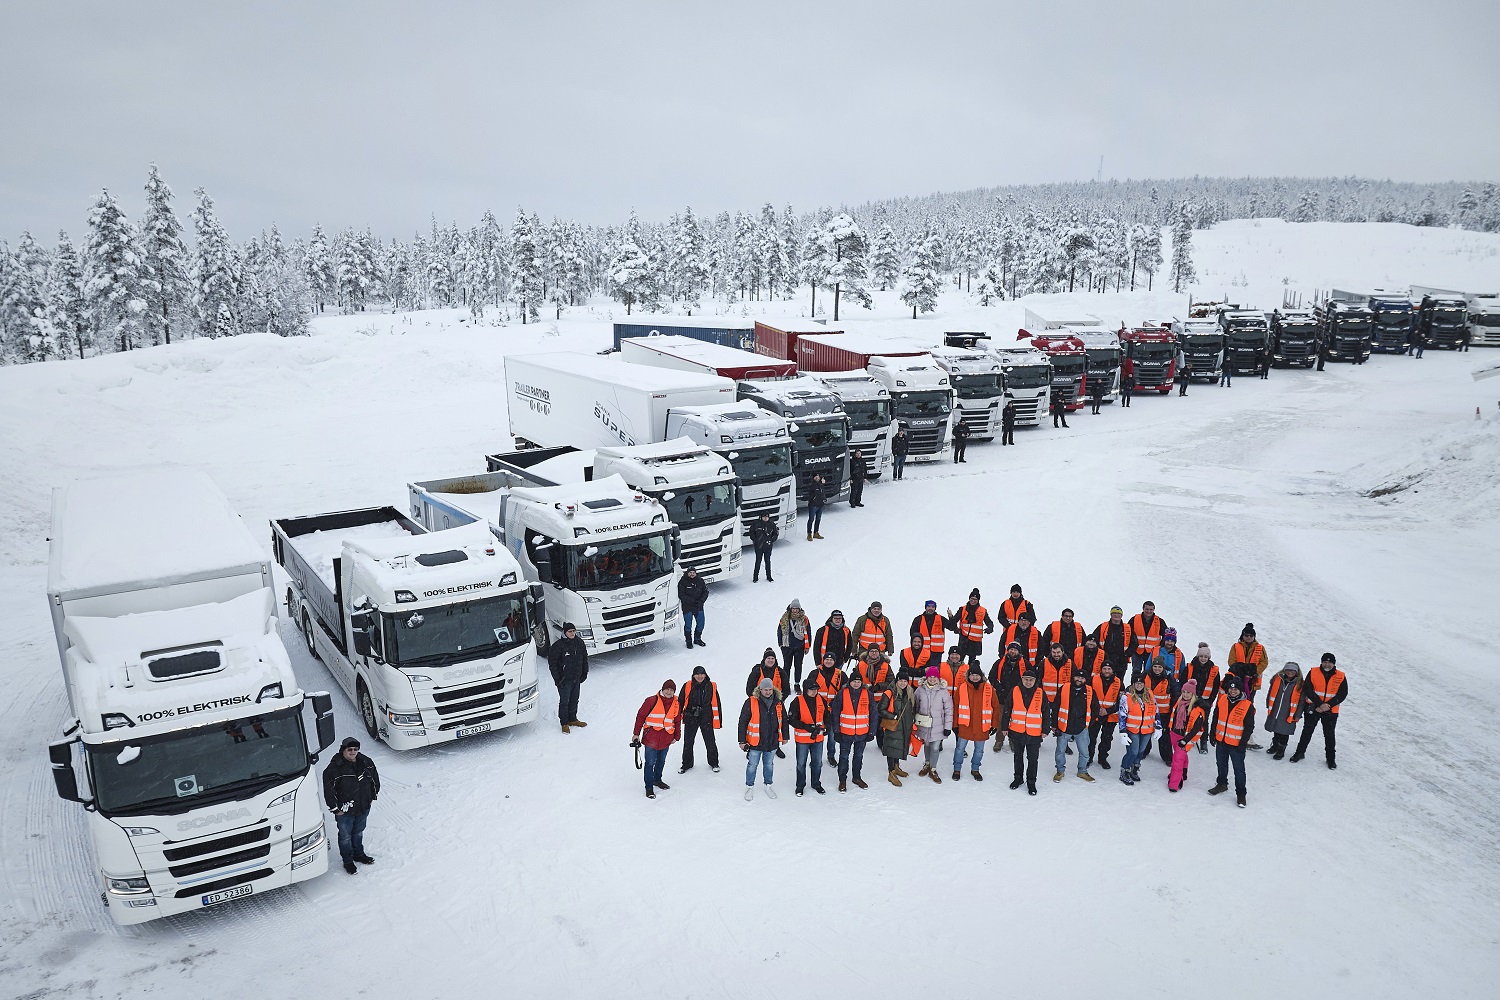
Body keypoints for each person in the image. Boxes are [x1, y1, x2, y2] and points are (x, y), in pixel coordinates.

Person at [323, 736, 379, 874]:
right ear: (343, 750)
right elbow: (329, 791)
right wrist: (336, 808)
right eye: (350, 749)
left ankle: (359, 854)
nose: (353, 752)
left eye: (355, 749)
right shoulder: (333, 769)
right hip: (345, 811)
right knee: (345, 836)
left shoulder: (366, 762)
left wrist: (371, 797)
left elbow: (375, 781)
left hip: (363, 807)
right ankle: (348, 861)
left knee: (358, 832)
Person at [1292, 652, 1347, 768]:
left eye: (1330, 662)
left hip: (1331, 711)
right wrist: (1320, 704)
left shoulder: (1341, 676)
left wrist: (1328, 705)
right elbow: (1307, 689)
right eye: (1325, 662)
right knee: (1307, 731)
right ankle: (1299, 753)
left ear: (1334, 663)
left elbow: (1343, 693)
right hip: (1314, 708)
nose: (1327, 664)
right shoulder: (1313, 672)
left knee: (1329, 735)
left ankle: (1330, 759)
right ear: (1321, 662)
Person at [1208, 675, 1255, 807]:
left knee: (1239, 770)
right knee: (1221, 764)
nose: (1233, 691)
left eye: (1236, 689)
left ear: (1241, 691)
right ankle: (1221, 784)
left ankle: (1241, 794)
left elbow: (1249, 727)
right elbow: (1216, 718)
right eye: (1231, 689)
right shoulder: (1222, 700)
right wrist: (1212, 734)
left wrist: (1243, 743)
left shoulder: (1247, 705)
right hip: (1221, 741)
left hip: (1236, 745)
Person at [632, 680, 682, 799]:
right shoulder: (651, 701)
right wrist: (636, 734)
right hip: (651, 738)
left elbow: (677, 720)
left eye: (672, 690)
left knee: (661, 761)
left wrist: (677, 736)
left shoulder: (676, 703)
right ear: (662, 689)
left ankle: (657, 780)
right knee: (650, 763)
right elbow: (640, 716)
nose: (669, 692)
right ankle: (649, 787)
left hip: (666, 738)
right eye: (667, 689)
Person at [739, 678, 787, 800]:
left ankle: (768, 785)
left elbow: (784, 721)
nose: (768, 692)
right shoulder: (751, 702)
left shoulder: (778, 703)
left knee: (769, 765)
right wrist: (742, 741)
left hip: (772, 741)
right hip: (756, 742)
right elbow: (743, 722)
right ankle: (749, 786)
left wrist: (785, 736)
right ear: (760, 689)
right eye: (765, 689)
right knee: (752, 765)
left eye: (770, 689)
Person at [831, 671, 877, 791]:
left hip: (862, 734)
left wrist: (872, 732)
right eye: (854, 681)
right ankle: (842, 780)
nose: (856, 684)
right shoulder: (842, 693)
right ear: (849, 682)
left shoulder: (868, 694)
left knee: (858, 756)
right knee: (844, 757)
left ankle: (857, 777)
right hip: (845, 733)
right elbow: (835, 713)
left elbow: (874, 713)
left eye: (858, 682)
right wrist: (836, 731)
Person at [951, 663, 996, 780]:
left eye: (977, 675)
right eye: (972, 675)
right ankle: (957, 769)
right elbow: (955, 707)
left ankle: (975, 769)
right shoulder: (962, 688)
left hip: (982, 726)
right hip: (965, 726)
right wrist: (955, 724)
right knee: (960, 748)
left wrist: (994, 725)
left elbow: (995, 707)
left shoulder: (989, 689)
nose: (975, 677)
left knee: (979, 750)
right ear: (968, 676)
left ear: (981, 676)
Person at [1052, 668, 1097, 783]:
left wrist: (1089, 723)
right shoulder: (1064, 688)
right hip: (1064, 727)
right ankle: (1060, 771)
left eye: (1082, 678)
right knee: (1060, 751)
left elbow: (1095, 708)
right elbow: (1056, 707)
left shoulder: (1090, 691)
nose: (1079, 680)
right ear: (1073, 677)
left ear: (1085, 680)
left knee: (1085, 753)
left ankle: (1082, 771)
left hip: (1081, 728)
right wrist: (1054, 724)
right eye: (1077, 677)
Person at [1007, 670, 1046, 794]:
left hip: (1034, 734)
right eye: (1026, 679)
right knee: (1018, 757)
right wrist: (1004, 727)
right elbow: (1007, 709)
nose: (1028, 682)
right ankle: (1018, 779)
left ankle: (1031, 782)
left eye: (1031, 680)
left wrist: (1045, 729)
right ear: (1022, 679)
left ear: (1035, 681)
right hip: (1017, 731)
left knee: (1033, 759)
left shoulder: (1040, 693)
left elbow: (1046, 712)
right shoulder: (1015, 691)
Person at [787, 678, 828, 796]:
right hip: (803, 740)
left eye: (816, 689)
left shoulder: (822, 700)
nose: (814, 692)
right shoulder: (797, 702)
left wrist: (827, 726)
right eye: (812, 689)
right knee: (801, 763)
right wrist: (806, 727)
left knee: (817, 763)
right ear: (805, 689)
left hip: (818, 739)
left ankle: (816, 783)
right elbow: (791, 720)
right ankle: (800, 785)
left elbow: (827, 716)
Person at [677, 666, 721, 774]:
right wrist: (677, 717)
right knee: (688, 742)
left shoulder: (711, 686)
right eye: (697, 674)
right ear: (693, 675)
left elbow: (717, 703)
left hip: (706, 717)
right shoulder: (687, 685)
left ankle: (714, 763)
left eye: (702, 674)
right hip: (690, 717)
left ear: (705, 675)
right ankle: (686, 764)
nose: (700, 676)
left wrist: (718, 720)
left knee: (710, 741)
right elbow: (680, 701)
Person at [914, 666, 953, 784]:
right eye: (930, 676)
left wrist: (948, 727)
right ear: (926, 678)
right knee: (926, 744)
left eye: (934, 677)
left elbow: (949, 710)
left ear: (938, 678)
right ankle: (927, 763)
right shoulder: (919, 690)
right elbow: (915, 706)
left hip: (938, 725)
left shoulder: (943, 691)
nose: (932, 679)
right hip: (924, 724)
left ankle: (933, 768)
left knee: (935, 747)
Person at [989, 640, 1030, 751]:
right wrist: (1000, 688)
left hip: (1019, 698)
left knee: (1016, 720)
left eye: (1015, 649)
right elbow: (991, 677)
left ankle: (1013, 741)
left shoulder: (1025, 664)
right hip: (1002, 697)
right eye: (1011, 649)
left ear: (1019, 652)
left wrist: (1022, 690)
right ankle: (999, 740)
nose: (1012, 651)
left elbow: (1031, 679)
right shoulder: (999, 662)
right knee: (1001, 719)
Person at [548, 622, 589, 734]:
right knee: (564, 702)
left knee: (574, 699)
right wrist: (558, 679)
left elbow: (584, 658)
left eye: (574, 631)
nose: (572, 633)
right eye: (570, 631)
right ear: (564, 632)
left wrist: (584, 672)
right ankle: (564, 723)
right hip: (564, 680)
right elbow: (553, 664)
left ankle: (573, 719)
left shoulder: (579, 642)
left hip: (576, 677)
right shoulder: (558, 646)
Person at [878, 673, 918, 785]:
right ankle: (891, 772)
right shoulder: (889, 693)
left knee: (900, 747)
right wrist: (893, 716)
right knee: (892, 748)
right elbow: (880, 709)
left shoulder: (910, 693)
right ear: (896, 681)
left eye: (905, 681)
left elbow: (913, 709)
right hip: (893, 726)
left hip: (905, 726)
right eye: (900, 681)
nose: (903, 683)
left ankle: (896, 767)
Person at [1166, 680, 1206, 792]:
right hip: (1174, 734)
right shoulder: (1178, 703)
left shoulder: (1197, 709)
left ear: (1193, 694)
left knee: (1177, 760)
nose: (1185, 694)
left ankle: (1174, 783)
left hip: (1185, 738)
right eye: (1183, 692)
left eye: (1188, 692)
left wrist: (1185, 740)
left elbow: (1196, 728)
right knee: (1180, 756)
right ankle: (1183, 773)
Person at [1116, 675, 1157, 786]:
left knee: (1140, 752)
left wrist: (1158, 726)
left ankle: (1134, 769)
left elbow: (1155, 711)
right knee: (1132, 752)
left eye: (1141, 683)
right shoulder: (1127, 697)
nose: (1139, 685)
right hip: (1132, 729)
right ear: (1133, 685)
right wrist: (1123, 731)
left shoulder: (1150, 695)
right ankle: (1125, 770)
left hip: (1147, 730)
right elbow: (1122, 715)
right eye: (1137, 683)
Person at [1181, 643, 1221, 754]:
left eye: (1206, 657)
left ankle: (1204, 741)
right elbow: (1183, 682)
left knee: (1204, 721)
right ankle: (1186, 737)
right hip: (1190, 699)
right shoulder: (1190, 667)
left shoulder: (1214, 670)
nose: (1203, 659)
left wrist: (1210, 701)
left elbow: (1216, 687)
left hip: (1205, 701)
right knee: (1188, 718)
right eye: (1201, 656)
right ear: (1198, 656)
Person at [810, 652, 846, 767]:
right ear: (823, 660)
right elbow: (808, 689)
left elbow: (846, 691)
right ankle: (815, 758)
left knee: (832, 736)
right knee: (817, 736)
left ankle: (831, 756)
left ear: (834, 662)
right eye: (826, 660)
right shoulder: (814, 673)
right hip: (818, 711)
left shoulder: (841, 675)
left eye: (831, 660)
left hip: (834, 711)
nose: (828, 662)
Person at [1263, 661, 1303, 760]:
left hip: (1289, 712)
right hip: (1277, 709)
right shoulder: (1278, 679)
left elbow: (1302, 701)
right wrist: (1268, 703)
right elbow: (1271, 691)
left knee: (1284, 732)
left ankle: (1281, 750)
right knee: (1276, 729)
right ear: (1284, 670)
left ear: (1297, 672)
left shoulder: (1300, 684)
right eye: (1288, 670)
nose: (1290, 672)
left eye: (1293, 671)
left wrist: (1298, 714)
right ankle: (1275, 745)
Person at [1088, 661, 1121, 770]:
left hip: (1110, 716)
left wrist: (1108, 711)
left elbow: (1122, 702)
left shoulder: (1119, 682)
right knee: (1091, 738)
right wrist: (1097, 710)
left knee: (1107, 739)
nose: (1107, 671)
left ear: (1112, 670)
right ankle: (1089, 757)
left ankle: (1102, 758)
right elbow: (1088, 696)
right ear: (1101, 670)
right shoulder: (1093, 679)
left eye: (1109, 669)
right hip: (1095, 715)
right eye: (1105, 669)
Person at [1142, 656, 1176, 764]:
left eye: (1159, 667)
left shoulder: (1170, 679)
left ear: (1163, 668)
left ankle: (1167, 757)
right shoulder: (1144, 676)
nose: (1157, 669)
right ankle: (1144, 751)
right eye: (1155, 666)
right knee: (1146, 732)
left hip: (1163, 712)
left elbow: (1176, 694)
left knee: (1164, 735)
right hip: (1147, 711)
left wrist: (1172, 711)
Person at [1227, 623, 1269, 705]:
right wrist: (1242, 670)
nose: (1249, 637)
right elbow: (1231, 661)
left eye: (1251, 635)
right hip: (1237, 679)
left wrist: (1254, 671)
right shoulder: (1235, 646)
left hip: (1252, 681)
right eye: (1246, 635)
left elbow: (1264, 662)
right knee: (1234, 701)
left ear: (1254, 637)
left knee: (1248, 702)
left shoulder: (1260, 648)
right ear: (1243, 636)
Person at [950, 589, 994, 666]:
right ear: (969, 598)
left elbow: (989, 622)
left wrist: (990, 628)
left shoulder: (983, 611)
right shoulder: (962, 609)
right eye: (972, 599)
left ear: (978, 600)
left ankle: (970, 676)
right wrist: (955, 628)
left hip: (975, 640)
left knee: (972, 662)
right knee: (960, 660)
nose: (973, 601)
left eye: (975, 599)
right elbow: (954, 620)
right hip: (964, 638)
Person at [777, 599, 812, 689]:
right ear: (790, 608)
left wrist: (807, 646)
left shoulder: (804, 619)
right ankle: (786, 684)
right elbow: (780, 631)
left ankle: (797, 684)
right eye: (793, 608)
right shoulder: (784, 618)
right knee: (787, 666)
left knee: (798, 666)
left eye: (797, 608)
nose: (795, 610)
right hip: (787, 646)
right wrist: (781, 644)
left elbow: (808, 632)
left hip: (800, 647)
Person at [1128, 601, 1166, 680]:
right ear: (1143, 609)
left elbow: (1165, 635)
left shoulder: (1159, 621)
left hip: (1151, 652)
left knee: (1149, 672)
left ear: (1154, 610)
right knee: (1136, 671)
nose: (1149, 611)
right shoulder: (1134, 619)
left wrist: (1160, 648)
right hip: (1137, 650)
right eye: (1147, 609)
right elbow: (1128, 632)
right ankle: (1133, 689)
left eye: (1151, 609)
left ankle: (1145, 689)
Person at [1093, 605, 1132, 676]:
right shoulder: (1103, 627)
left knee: (1119, 682)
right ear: (1111, 614)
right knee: (1104, 679)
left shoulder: (1128, 628)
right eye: (1114, 613)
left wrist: (1127, 654)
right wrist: (1100, 653)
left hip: (1121, 660)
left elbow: (1134, 643)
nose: (1116, 615)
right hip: (1105, 659)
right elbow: (1093, 639)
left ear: (1121, 615)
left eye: (1118, 613)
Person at [677, 566, 708, 649]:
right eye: (690, 573)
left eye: (693, 573)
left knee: (701, 623)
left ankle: (697, 639)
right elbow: (681, 595)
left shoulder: (700, 581)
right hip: (687, 606)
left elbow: (705, 592)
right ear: (687, 573)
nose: (692, 574)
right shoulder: (683, 582)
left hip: (698, 606)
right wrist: (691, 601)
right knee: (688, 624)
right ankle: (688, 641)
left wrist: (701, 601)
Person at [748, 512, 777, 583]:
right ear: (761, 517)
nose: (765, 518)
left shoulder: (772, 524)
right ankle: (755, 577)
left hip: (768, 545)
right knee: (758, 561)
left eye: (767, 517)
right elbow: (751, 533)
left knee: (767, 561)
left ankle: (769, 576)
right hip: (759, 546)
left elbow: (775, 533)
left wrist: (772, 540)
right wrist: (756, 540)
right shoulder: (756, 523)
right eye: (764, 517)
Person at [806, 473, 827, 541]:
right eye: (815, 477)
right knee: (811, 519)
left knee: (818, 519)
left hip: (820, 504)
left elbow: (822, 492)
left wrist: (824, 499)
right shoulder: (812, 484)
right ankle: (809, 534)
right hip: (813, 505)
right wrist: (821, 483)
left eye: (817, 476)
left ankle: (816, 532)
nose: (817, 478)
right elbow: (813, 488)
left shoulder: (820, 485)